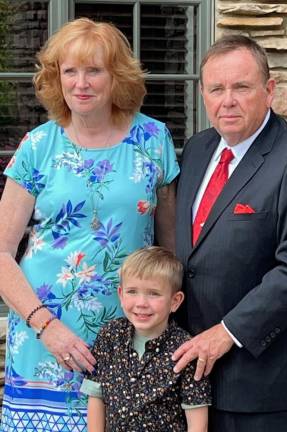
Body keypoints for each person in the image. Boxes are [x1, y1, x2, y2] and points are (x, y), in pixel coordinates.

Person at [0, 18, 179, 431]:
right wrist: (47, 327)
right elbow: (2, 253)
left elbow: (169, 251)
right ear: (55, 77)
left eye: (94, 70)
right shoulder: (37, 146)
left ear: (116, 76)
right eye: (70, 71)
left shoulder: (153, 140)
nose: (81, 83)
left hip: (130, 339)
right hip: (45, 341)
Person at [173, 35, 287, 432]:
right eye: (217, 89)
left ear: (269, 91)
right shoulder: (197, 150)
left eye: (241, 87)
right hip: (195, 376)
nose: (227, 100)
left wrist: (226, 334)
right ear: (203, 94)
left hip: (266, 380)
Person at [80, 246, 211, 431]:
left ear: (175, 301)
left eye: (153, 293)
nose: (141, 303)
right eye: (132, 291)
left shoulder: (186, 350)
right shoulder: (110, 336)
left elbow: (198, 425)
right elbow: (96, 397)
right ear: (121, 295)